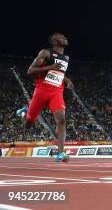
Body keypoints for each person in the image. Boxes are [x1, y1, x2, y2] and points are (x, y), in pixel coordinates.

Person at [16, 33, 74, 162]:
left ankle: (60, 153)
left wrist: (67, 80)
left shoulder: (66, 58)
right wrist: (50, 67)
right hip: (42, 90)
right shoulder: (46, 53)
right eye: (61, 37)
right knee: (28, 124)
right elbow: (30, 71)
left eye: (65, 37)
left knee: (61, 120)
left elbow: (58, 73)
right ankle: (24, 112)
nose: (65, 38)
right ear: (54, 41)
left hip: (57, 91)